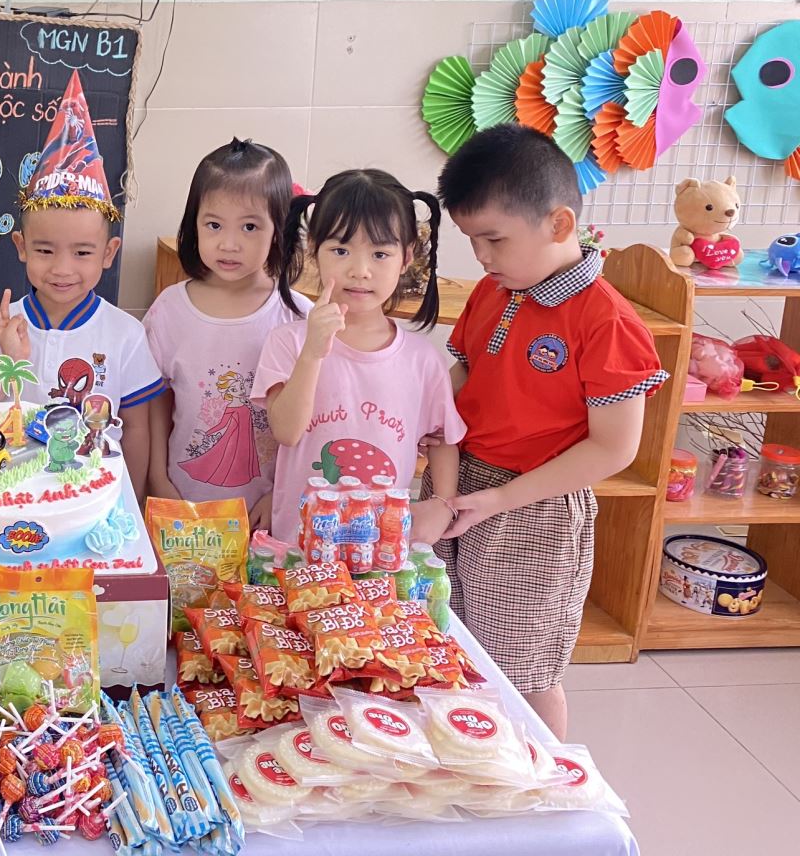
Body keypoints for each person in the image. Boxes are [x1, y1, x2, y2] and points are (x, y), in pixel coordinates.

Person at [433, 123, 665, 739]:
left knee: (523, 668)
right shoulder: (496, 290)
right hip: (462, 486)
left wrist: (502, 498)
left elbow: (614, 447)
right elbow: (463, 378)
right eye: (472, 240)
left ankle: (546, 781)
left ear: (559, 224)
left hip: (534, 507)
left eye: (494, 239)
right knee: (449, 645)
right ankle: (472, 763)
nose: (481, 256)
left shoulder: (606, 321)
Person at [253, 169, 466, 547]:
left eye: (380, 254)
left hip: (381, 550)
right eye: (340, 250)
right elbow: (286, 431)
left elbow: (443, 438)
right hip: (301, 545)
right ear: (314, 249)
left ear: (406, 258)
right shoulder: (288, 342)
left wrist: (443, 504)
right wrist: (313, 353)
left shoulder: (421, 360)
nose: (360, 270)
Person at [0, 71, 164, 494]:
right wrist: (9, 359)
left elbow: (137, 427)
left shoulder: (125, 335)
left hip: (96, 498)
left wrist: (131, 499)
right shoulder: (1, 326)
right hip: (19, 493)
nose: (62, 269)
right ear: (21, 246)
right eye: (45, 250)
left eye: (82, 253)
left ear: (109, 252)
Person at [144, 139, 304, 529]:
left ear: (279, 228)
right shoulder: (169, 310)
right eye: (213, 225)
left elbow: (312, 421)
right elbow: (154, 402)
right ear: (194, 224)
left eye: (250, 227)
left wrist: (279, 494)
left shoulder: (299, 317)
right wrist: (158, 479)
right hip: (183, 506)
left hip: (269, 514)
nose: (229, 244)